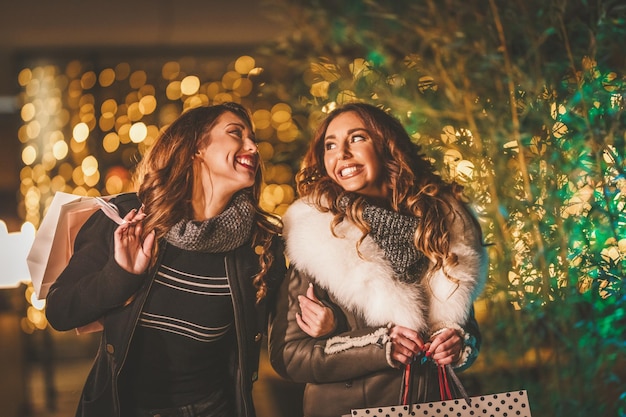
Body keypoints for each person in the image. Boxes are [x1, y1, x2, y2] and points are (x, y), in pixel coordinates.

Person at [45, 102, 287, 417]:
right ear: (196, 147)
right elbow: (60, 311)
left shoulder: (262, 246)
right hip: (123, 408)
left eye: (252, 138)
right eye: (236, 134)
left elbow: (285, 345)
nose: (253, 147)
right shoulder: (126, 219)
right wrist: (120, 274)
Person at [268, 102, 488, 417]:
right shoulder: (319, 239)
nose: (341, 153)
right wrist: (376, 347)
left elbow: (468, 328)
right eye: (330, 146)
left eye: (356, 138)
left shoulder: (441, 229)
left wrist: (459, 343)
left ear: (387, 146)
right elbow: (288, 356)